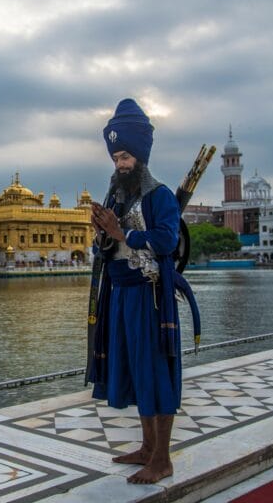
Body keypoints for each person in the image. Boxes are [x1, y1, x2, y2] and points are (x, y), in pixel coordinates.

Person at [89, 98, 183, 484]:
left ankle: (162, 459)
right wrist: (102, 237)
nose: (119, 165)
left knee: (156, 371)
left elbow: (166, 241)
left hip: (150, 297)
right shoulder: (117, 196)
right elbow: (105, 247)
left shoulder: (158, 196)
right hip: (121, 296)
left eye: (125, 157)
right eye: (115, 158)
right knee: (134, 369)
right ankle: (146, 448)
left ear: (140, 157)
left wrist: (120, 232)